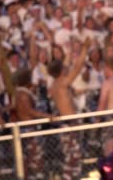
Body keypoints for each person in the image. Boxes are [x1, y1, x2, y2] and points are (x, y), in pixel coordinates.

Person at [47, 37, 91, 180]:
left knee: (72, 158)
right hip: (70, 124)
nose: (67, 67)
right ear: (61, 71)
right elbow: (78, 67)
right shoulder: (61, 83)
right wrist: (84, 49)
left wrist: (71, 49)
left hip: (68, 124)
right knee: (73, 159)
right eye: (64, 67)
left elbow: (64, 65)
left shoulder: (55, 84)